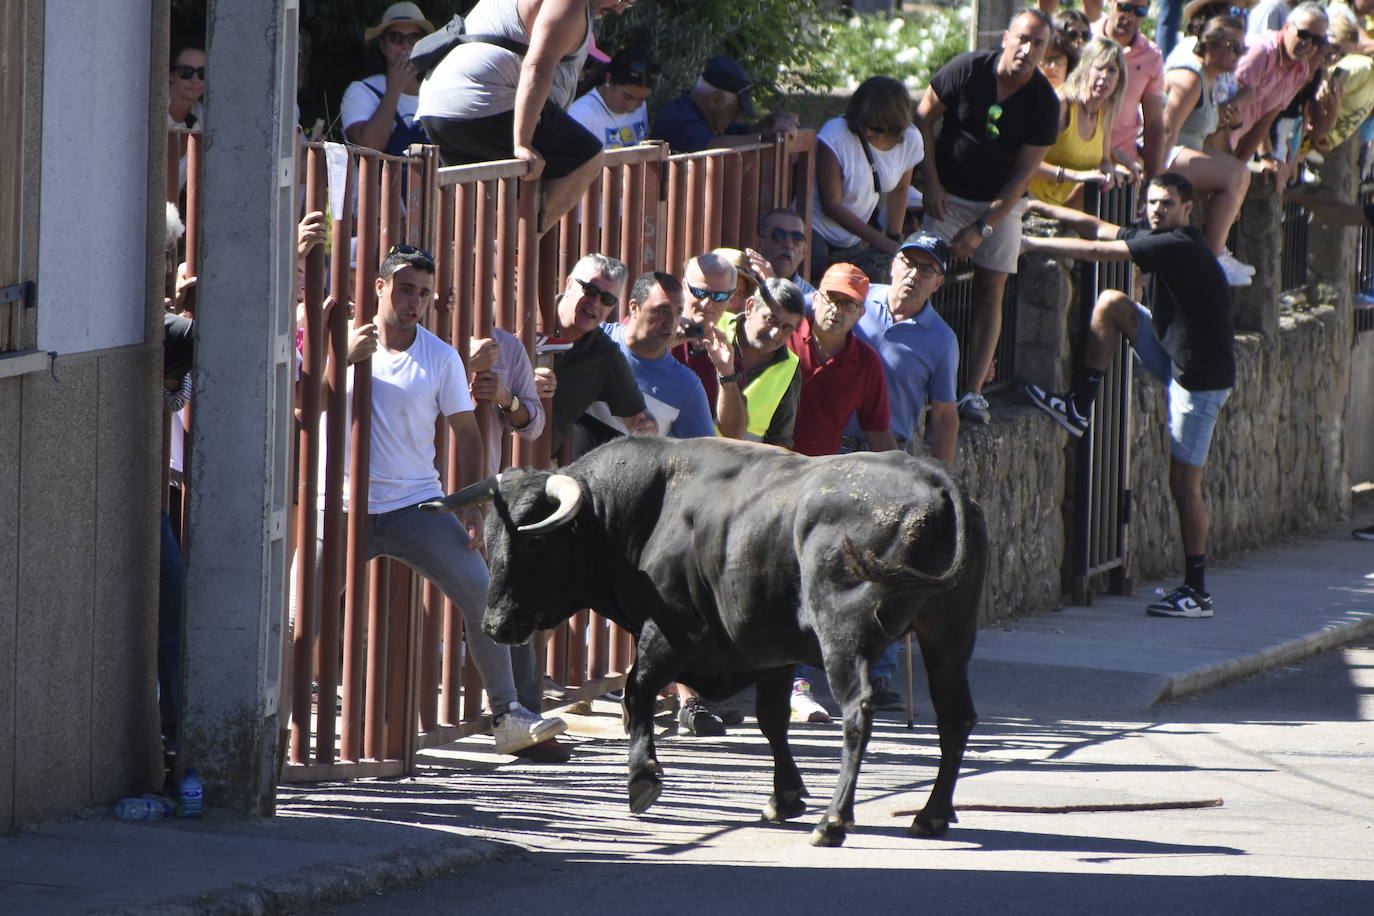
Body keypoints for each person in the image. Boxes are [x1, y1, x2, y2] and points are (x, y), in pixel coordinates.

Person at [318, 246, 568, 751]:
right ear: (380, 286)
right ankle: (276, 715)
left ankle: (507, 715)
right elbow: (306, 405)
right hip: (342, 505)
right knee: (302, 610)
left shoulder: (439, 355)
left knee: (482, 592)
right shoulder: (343, 340)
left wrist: (473, 506)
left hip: (416, 505)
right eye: (406, 288)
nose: (415, 301)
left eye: (424, 293)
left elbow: (468, 435)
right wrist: (337, 359)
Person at [1023, 173, 1234, 619]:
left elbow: (1101, 251)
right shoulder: (1159, 236)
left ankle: (1197, 592)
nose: (1157, 210)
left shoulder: (1178, 243)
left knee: (1183, 483)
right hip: (1172, 356)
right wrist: (1042, 208)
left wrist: (1032, 245)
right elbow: (1100, 228)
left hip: (1198, 380)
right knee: (1112, 303)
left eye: (1167, 204)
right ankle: (1080, 406)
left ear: (1187, 209)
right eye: (1152, 202)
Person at [915, 7, 1060, 425]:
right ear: (1005, 38)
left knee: (990, 289)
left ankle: (972, 393)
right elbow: (923, 116)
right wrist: (932, 182)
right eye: (1024, 39)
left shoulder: (1043, 102)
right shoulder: (970, 68)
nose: (1029, 50)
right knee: (922, 276)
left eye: (1039, 44)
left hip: (1000, 202)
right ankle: (916, 377)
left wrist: (984, 226)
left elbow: (1023, 174)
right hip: (946, 193)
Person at [416, 0, 634, 232]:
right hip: (480, 100)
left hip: (436, 106)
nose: (620, 9)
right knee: (587, 158)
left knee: (497, 205)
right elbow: (537, 67)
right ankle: (518, 248)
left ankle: (487, 254)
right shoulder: (570, 4)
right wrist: (522, 142)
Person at [465, 329, 568, 761]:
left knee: (505, 596)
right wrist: (462, 372)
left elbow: (534, 424)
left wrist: (506, 398)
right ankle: (382, 721)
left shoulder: (506, 344)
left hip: (480, 488)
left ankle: (523, 713)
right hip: (403, 487)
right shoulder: (415, 331)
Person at [1161, 14, 1256, 284]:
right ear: (1211, 46)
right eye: (1233, 47)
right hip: (1163, 154)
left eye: (1242, 49)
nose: (1239, 55)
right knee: (1235, 175)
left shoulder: (1211, 79)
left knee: (1239, 174)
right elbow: (1166, 130)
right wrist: (1153, 181)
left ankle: (1216, 252)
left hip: (1183, 152)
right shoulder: (1189, 77)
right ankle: (1212, 257)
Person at [810, 76, 925, 282]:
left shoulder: (911, 140)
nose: (867, 131)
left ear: (896, 127)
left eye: (877, 128)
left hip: (853, 237)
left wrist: (894, 238)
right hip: (816, 230)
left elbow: (900, 189)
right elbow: (831, 205)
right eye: (862, 124)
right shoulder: (835, 134)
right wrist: (879, 241)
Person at [547, 253, 655, 454]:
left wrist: (648, 429)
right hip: (481, 447)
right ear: (569, 284)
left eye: (606, 298)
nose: (595, 302)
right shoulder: (521, 313)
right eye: (589, 289)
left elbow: (639, 419)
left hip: (527, 471)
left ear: (612, 307)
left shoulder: (604, 354)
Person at [602, 271, 717, 438]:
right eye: (661, 311)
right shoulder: (597, 341)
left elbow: (703, 457)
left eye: (678, 312)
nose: (671, 323)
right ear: (634, 308)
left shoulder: (687, 386)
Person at [1028, 37, 1127, 209]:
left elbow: (1103, 160)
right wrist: (1075, 176)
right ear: (1085, 68)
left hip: (1067, 210)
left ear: (1119, 80)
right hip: (1030, 204)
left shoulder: (1105, 111)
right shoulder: (1061, 104)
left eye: (1112, 70)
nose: (1105, 77)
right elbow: (1025, 162)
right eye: (1099, 68)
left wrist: (1109, 171)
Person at [1230, 3, 1327, 175]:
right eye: (1303, 34)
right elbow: (1226, 108)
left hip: (1234, 145)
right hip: (1212, 140)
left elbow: (1265, 119)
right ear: (1287, 26)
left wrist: (1238, 165)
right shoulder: (1260, 52)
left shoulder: (1301, 69)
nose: (1309, 44)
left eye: (1317, 40)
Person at [718, 277, 805, 449]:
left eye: (787, 328)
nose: (775, 334)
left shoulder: (790, 370)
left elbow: (780, 442)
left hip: (737, 472)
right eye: (771, 320)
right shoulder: (715, 329)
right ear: (750, 307)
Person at [670, 253, 750, 439]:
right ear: (684, 287)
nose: (706, 303)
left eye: (719, 296)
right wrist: (658, 346)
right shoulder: (652, 324)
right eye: (699, 292)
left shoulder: (727, 356)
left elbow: (733, 432)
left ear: (731, 300)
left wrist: (726, 375)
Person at [650, 56, 801, 153]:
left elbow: (748, 131)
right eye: (734, 112)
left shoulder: (712, 118)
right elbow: (711, 147)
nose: (736, 119)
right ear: (715, 101)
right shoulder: (677, 118)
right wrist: (768, 138)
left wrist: (776, 120)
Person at [341, 3, 434, 155]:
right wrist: (394, 89)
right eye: (396, 38)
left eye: (414, 38)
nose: (406, 46)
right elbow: (369, 148)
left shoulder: (436, 90)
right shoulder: (362, 91)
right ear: (382, 45)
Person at [1094, 0, 1168, 185]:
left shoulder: (1152, 55)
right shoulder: (1086, 36)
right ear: (1110, 2)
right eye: (1124, 7)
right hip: (1080, 154)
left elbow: (1154, 124)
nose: (1130, 16)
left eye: (1140, 10)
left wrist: (1151, 182)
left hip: (1124, 163)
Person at [567, 48, 656, 149]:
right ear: (609, 79)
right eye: (627, 97)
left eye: (641, 100)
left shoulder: (641, 106)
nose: (632, 107)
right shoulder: (581, 114)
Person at [752, 207, 814, 295]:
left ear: (804, 252)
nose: (788, 244)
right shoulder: (740, 287)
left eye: (797, 239)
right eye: (778, 236)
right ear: (759, 244)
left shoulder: (812, 300)